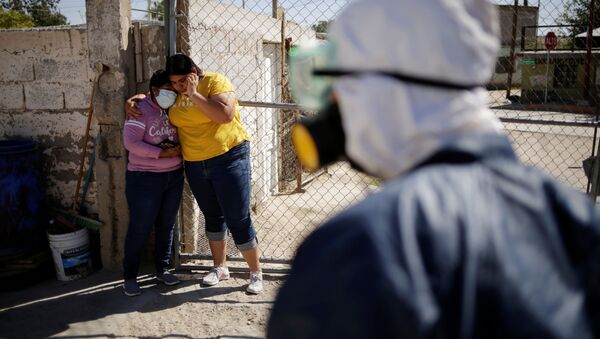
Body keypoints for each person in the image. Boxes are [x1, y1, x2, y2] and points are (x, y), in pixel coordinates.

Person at [267, 0, 600, 338]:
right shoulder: (575, 218)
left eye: (337, 85)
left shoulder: (358, 249)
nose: (332, 104)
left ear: (377, 88)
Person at [126, 54, 263, 294]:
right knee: (212, 215)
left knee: (238, 218)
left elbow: (224, 116)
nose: (178, 87)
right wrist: (134, 99)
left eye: (182, 81)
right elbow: (152, 99)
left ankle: (255, 272)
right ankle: (220, 268)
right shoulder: (174, 94)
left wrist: (193, 93)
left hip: (228, 157)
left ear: (193, 72)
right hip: (195, 163)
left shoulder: (214, 82)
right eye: (174, 83)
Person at [122, 69, 183, 297]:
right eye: (167, 90)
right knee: (140, 227)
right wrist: (163, 154)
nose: (172, 95)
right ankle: (129, 277)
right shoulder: (140, 109)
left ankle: (162, 269)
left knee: (166, 225)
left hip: (174, 177)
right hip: (144, 178)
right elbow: (131, 143)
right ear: (154, 90)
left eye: (174, 90)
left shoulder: (176, 108)